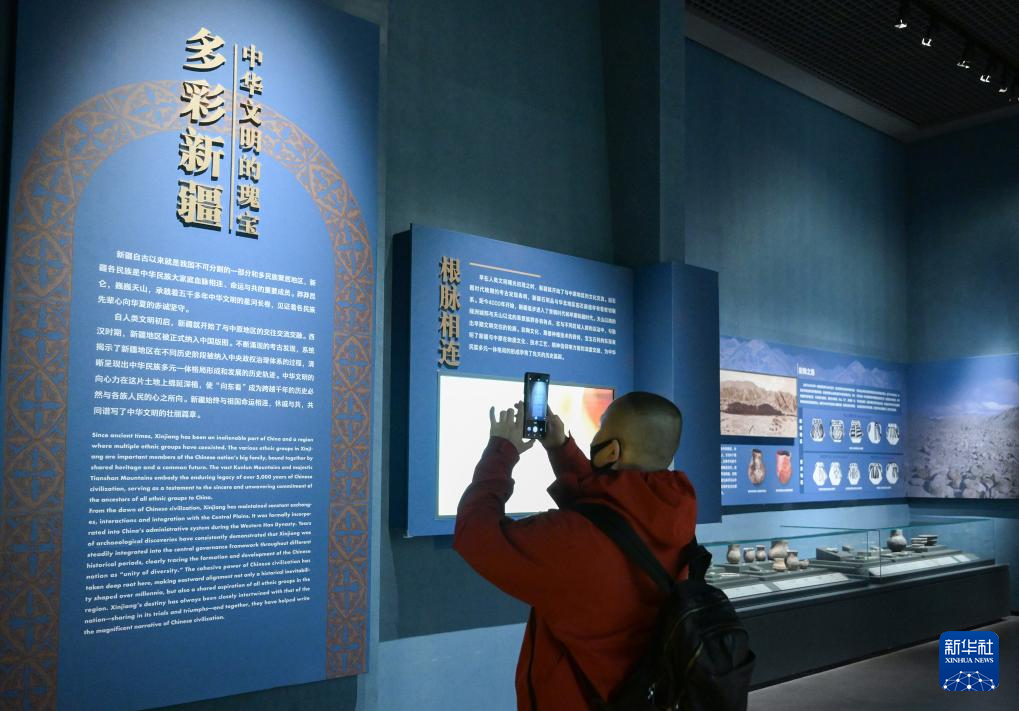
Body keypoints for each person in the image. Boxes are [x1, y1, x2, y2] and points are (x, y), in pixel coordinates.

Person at [453, 391, 697, 710]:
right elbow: (609, 514)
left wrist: (501, 450)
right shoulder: (673, 518)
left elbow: (475, 532)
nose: (595, 437)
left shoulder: (572, 540)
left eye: (601, 429)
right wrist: (560, 447)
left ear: (612, 451)